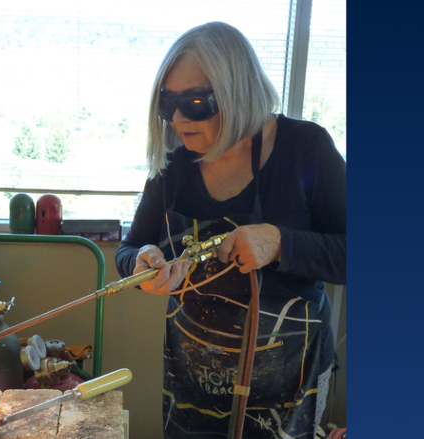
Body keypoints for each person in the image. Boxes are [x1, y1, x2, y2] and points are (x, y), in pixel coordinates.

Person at [115, 22, 346, 438]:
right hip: (192, 388)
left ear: (239, 92)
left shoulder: (305, 149)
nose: (179, 118)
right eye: (168, 102)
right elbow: (130, 248)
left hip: (292, 391)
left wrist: (280, 243)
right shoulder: (175, 160)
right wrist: (142, 265)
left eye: (197, 102)